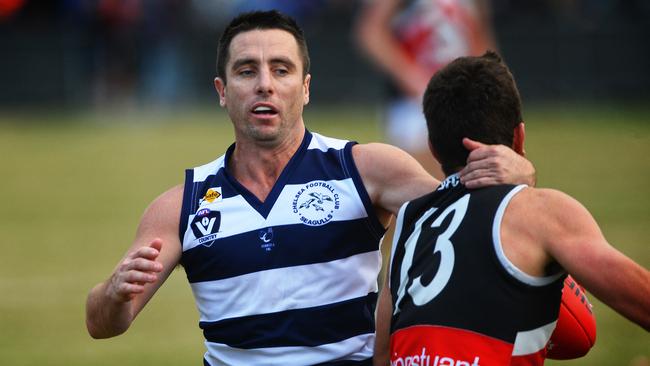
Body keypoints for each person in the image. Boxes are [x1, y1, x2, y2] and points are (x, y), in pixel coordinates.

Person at [85, 11, 535, 365]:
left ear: (305, 88)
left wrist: (517, 181)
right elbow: (103, 324)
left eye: (281, 70)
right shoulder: (181, 205)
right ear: (222, 91)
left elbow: (471, 219)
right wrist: (113, 293)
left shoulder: (366, 169)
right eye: (246, 71)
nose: (264, 84)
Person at [374, 51, 650, 365]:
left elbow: (382, 356)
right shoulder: (543, 211)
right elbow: (641, 301)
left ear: (434, 149)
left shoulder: (410, 221)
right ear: (519, 136)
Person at [355, 0, 497, 179]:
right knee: (427, 188)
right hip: (416, 103)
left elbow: (479, 34)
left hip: (466, 95)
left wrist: (490, 84)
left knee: (476, 183)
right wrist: (412, 78)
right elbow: (371, 32)